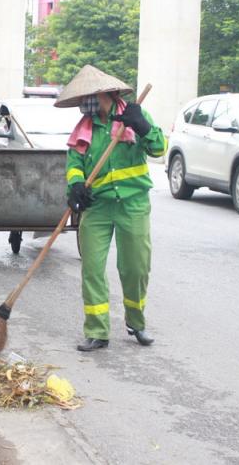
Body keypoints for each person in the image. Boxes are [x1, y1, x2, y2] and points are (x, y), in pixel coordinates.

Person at [59, 65, 168, 352]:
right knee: (92, 268)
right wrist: (76, 187)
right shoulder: (85, 128)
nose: (87, 103)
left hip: (133, 205)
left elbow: (158, 149)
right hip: (97, 208)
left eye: (91, 96)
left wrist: (141, 126)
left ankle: (137, 322)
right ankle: (97, 331)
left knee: (135, 268)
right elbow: (74, 164)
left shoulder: (134, 116)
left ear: (107, 94)